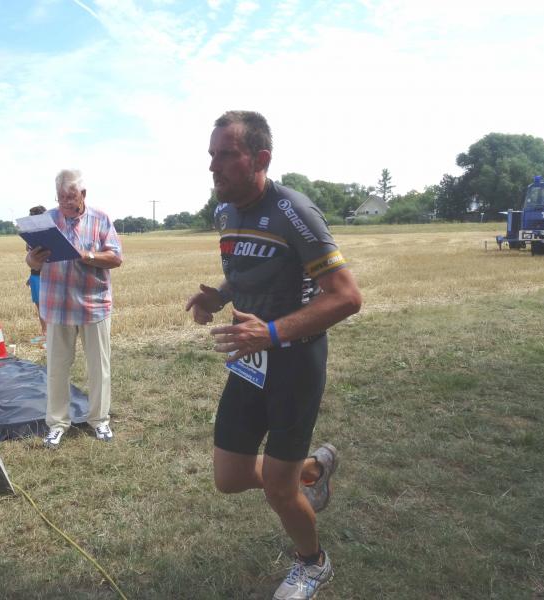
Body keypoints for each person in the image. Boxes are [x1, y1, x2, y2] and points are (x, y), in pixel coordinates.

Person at [185, 110, 362, 600]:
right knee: (230, 477)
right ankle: (310, 470)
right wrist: (219, 296)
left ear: (260, 158)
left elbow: (347, 296)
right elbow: (246, 272)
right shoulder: (225, 212)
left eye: (226, 155)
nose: (213, 166)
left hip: (295, 363)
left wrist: (272, 332)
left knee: (279, 492)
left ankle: (313, 563)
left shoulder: (293, 211)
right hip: (251, 359)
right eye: (211, 155)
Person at [26, 169, 123, 448]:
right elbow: (31, 261)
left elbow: (116, 258)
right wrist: (33, 260)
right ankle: (57, 423)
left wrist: (87, 255)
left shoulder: (101, 219)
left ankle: (99, 420)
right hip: (57, 306)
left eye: (71, 196)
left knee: (99, 367)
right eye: (60, 197)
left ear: (83, 194)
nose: (66, 202)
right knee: (56, 369)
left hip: (94, 304)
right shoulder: (46, 222)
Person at [26, 205, 47, 343]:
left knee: (46, 306)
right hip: (35, 276)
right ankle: (45, 333)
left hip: (46, 276)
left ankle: (50, 336)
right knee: (39, 305)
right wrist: (30, 276)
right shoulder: (30, 236)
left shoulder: (49, 235)